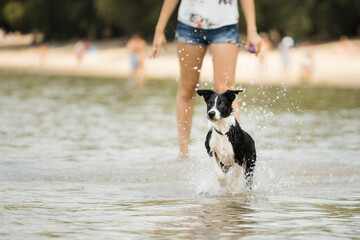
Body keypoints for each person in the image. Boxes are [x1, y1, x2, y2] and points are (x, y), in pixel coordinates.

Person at [151, 0, 262, 158]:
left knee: (225, 87)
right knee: (188, 87)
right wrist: (159, 28)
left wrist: (252, 29)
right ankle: (184, 154)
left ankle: (234, 148)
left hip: (225, 22)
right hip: (189, 23)